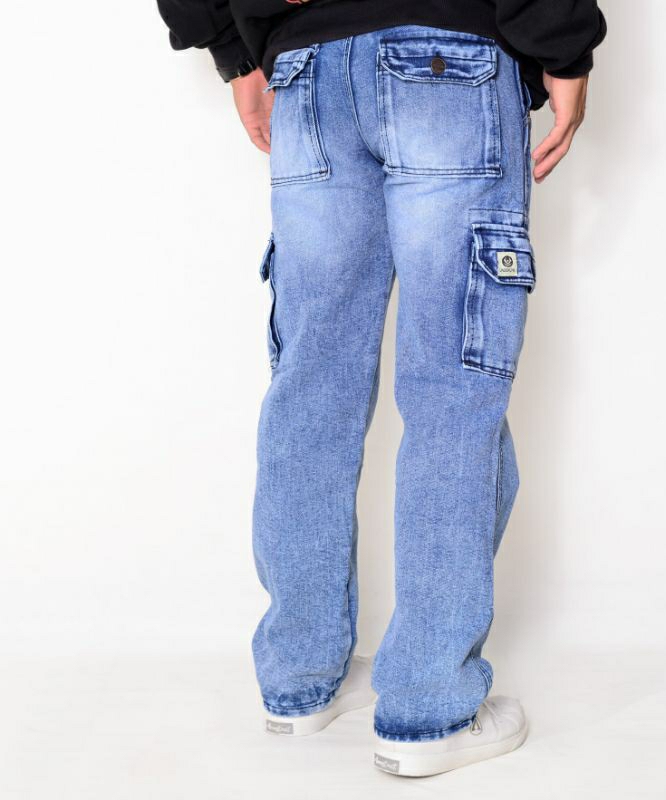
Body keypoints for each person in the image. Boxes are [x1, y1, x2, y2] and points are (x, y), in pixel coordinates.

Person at [157, 0, 605, 777]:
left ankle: (299, 681)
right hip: (450, 58)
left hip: (309, 73)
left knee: (311, 388)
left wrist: (233, 47)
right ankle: (428, 708)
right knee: (451, 392)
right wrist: (563, 46)